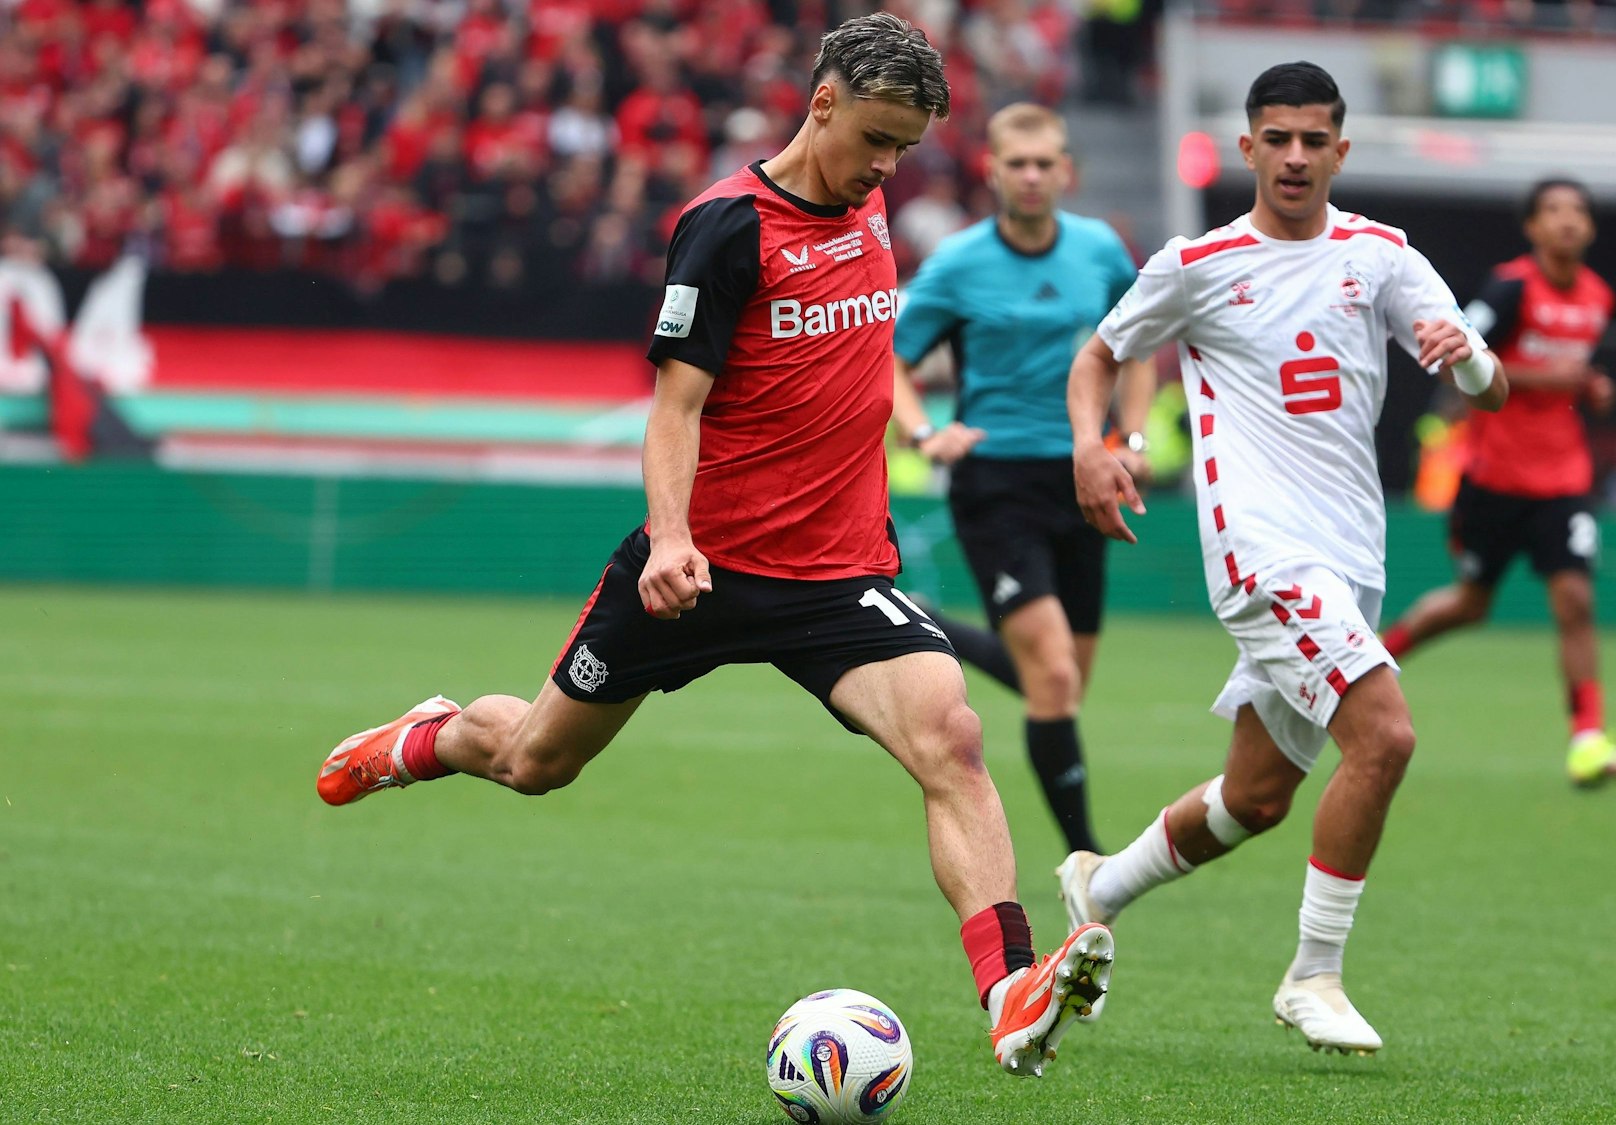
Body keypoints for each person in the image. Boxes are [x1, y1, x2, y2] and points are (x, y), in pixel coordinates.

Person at [313, 14, 1110, 1080]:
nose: (885, 168)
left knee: (950, 737)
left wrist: (912, 429)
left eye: (904, 150)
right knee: (533, 762)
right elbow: (675, 408)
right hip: (694, 571)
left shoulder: (869, 204)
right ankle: (431, 735)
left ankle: (1008, 990)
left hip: (834, 573)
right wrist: (672, 540)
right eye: (873, 139)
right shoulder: (726, 228)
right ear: (819, 102)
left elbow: (865, 360)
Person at [1059, 61, 1508, 1054]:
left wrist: (1467, 357)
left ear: (1339, 150)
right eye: (1278, 137)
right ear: (1248, 147)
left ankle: (1101, 883)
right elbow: (1100, 356)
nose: (1295, 156)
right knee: (1383, 738)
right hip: (1260, 552)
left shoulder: (1383, 256)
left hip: (1350, 554)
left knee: (1255, 798)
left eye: (1314, 140)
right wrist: (1091, 449)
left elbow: (1488, 383)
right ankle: (1313, 974)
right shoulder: (1196, 265)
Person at [889, 102, 1156, 858]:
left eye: (1046, 164)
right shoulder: (959, 262)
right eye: (1018, 164)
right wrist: (923, 433)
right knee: (1054, 678)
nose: (1033, 176)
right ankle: (1087, 859)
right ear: (993, 171)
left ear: (1066, 171)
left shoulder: (1102, 251)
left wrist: (1129, 439)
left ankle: (934, 622)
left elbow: (1139, 347)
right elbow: (891, 361)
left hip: (1083, 476)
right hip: (994, 480)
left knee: (1062, 679)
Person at [1375, 178, 1616, 788]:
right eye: (1552, 211)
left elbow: (1574, 379)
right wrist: (1546, 377)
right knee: (1471, 604)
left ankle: (1587, 740)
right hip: (1495, 477)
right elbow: (1458, 356)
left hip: (1563, 480)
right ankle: (1371, 659)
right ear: (1531, 227)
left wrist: (1593, 389)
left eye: (1578, 210)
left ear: (1592, 228)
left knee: (1576, 602)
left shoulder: (1598, 297)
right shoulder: (1509, 287)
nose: (1567, 221)